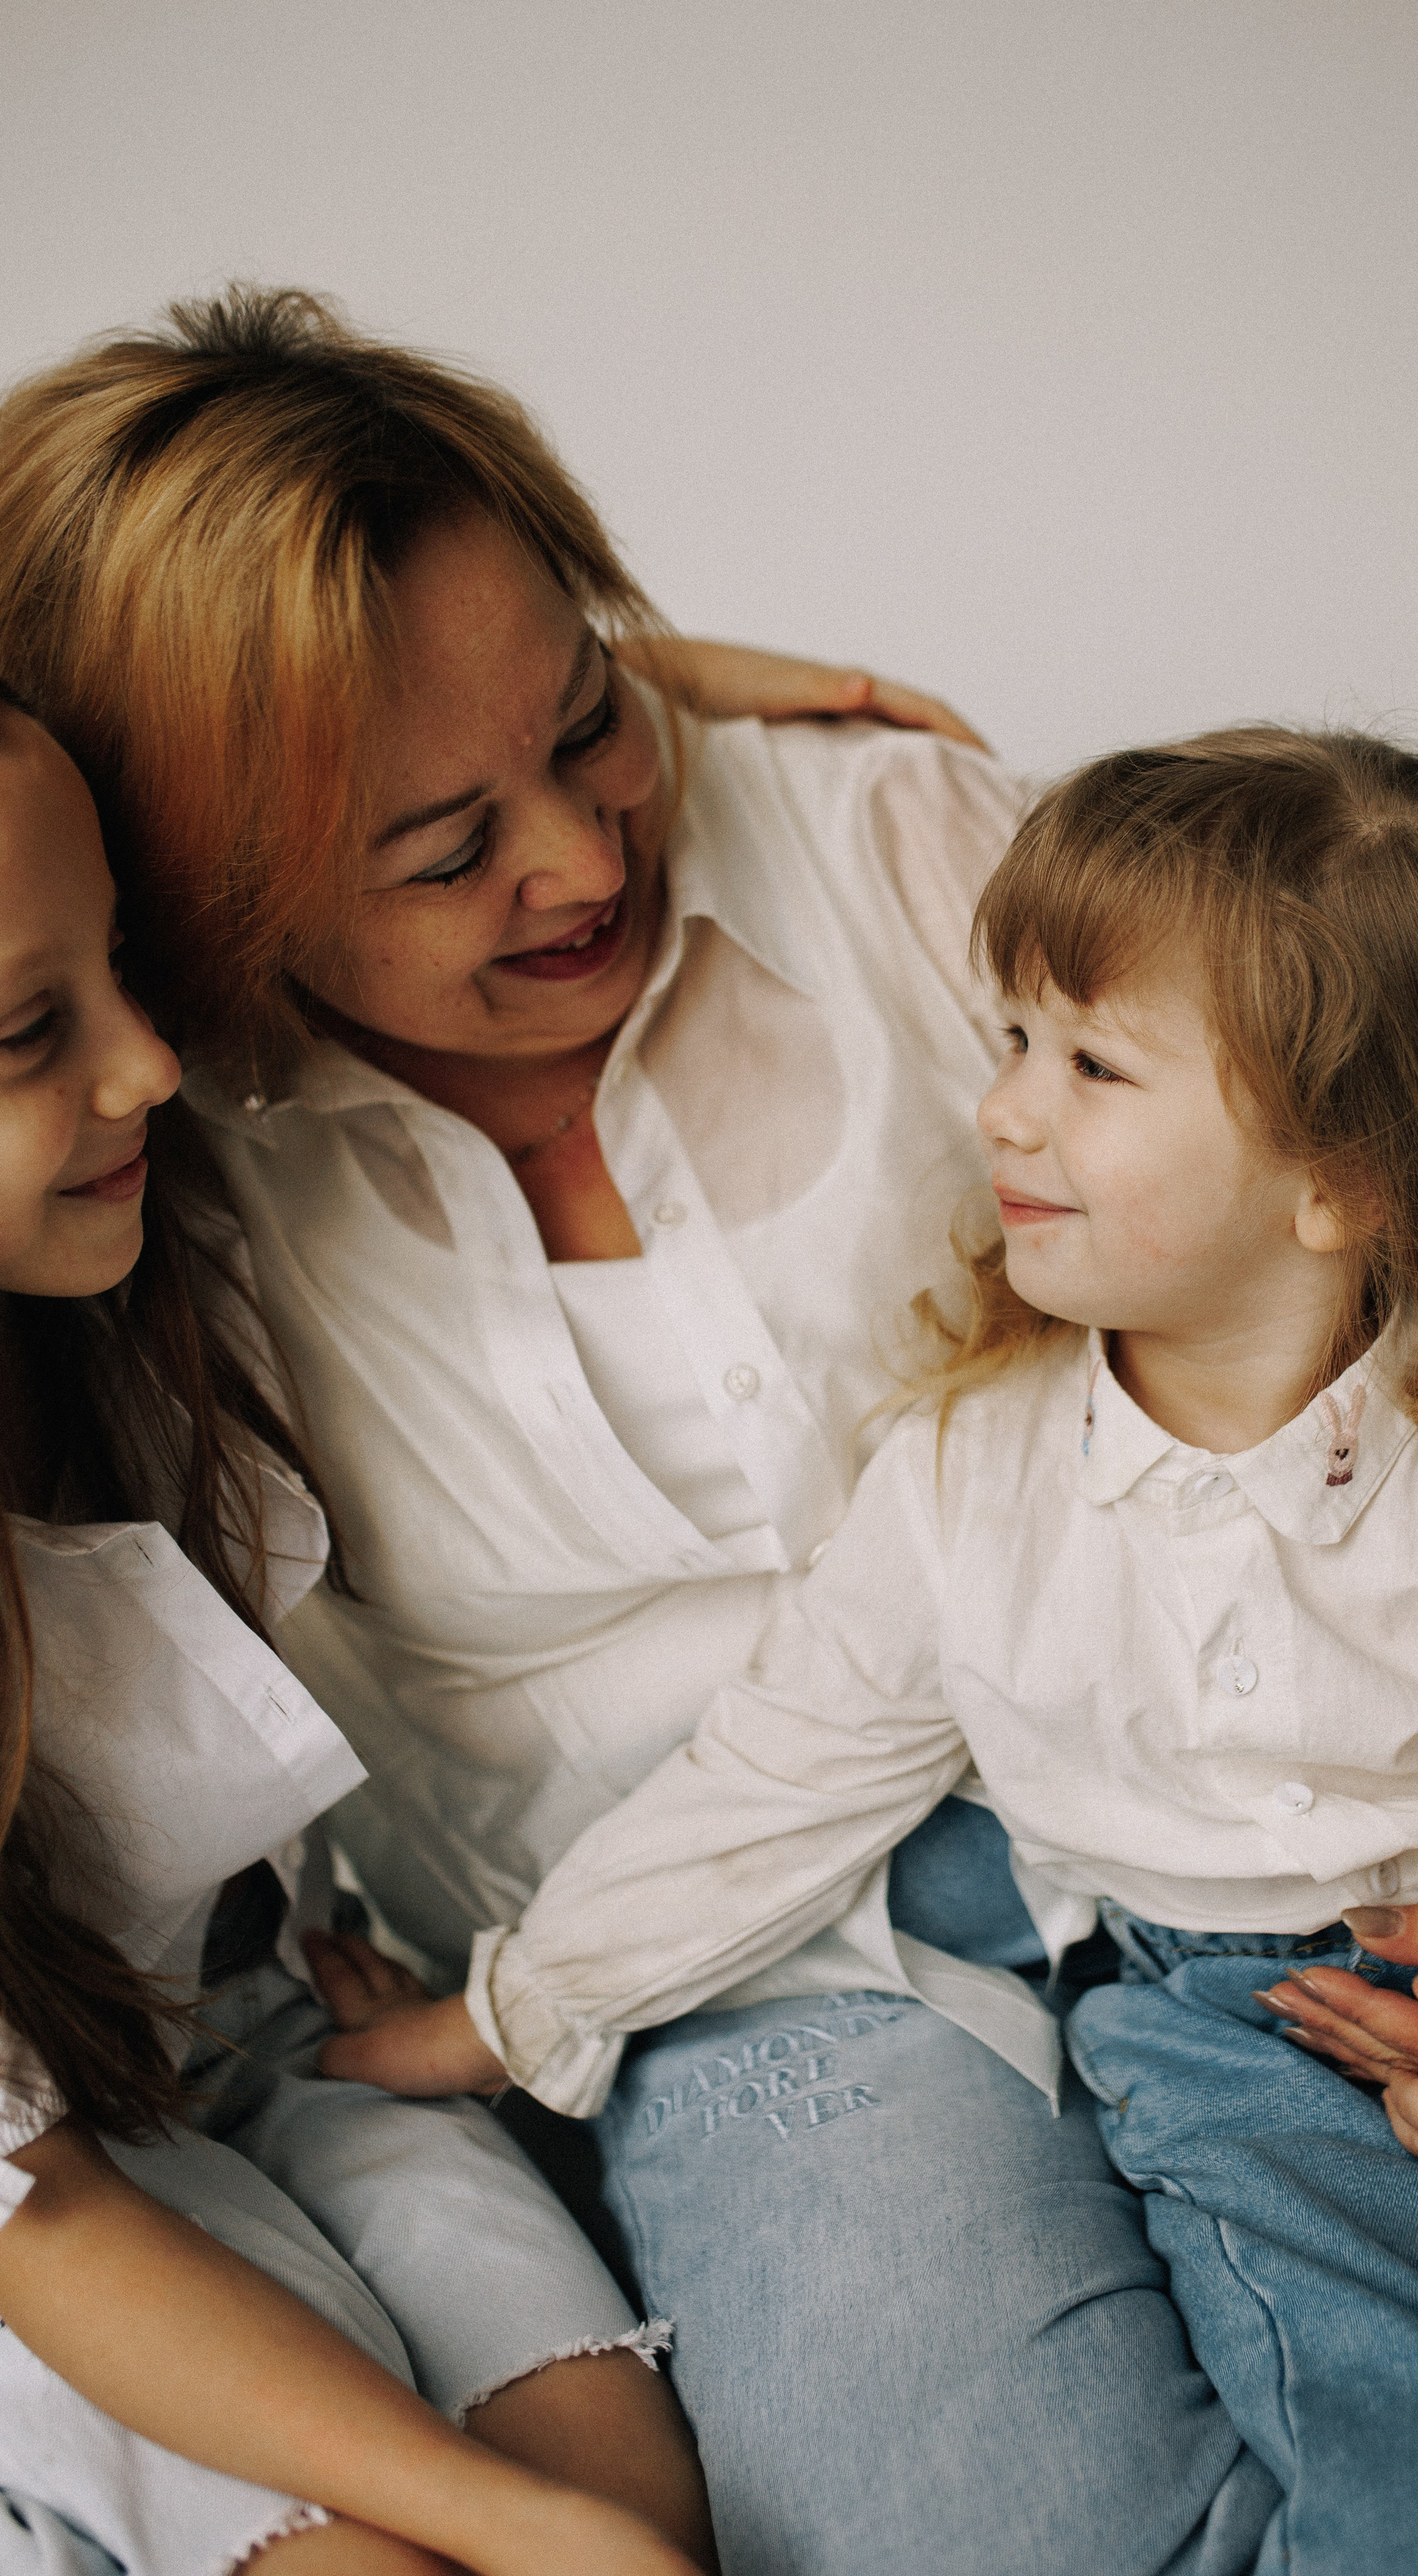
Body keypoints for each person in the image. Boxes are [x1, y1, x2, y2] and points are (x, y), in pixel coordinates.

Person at [0, 286, 1285, 2576]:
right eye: (436, 846)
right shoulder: (144, 1152)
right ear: (197, 881)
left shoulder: (888, 838)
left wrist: (645, 694)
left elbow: (1334, 1210)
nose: (584, 864)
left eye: (591, 724)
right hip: (726, 1961)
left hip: (1235, 1742)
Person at [380, 727, 1418, 2575]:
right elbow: (778, 1783)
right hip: (1245, 2050)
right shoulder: (964, 1482)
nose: (1003, 1109)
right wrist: (508, 2011)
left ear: (1347, 1177)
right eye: (1012, 1038)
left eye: (1089, 1065)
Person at [0, 688, 708, 2576]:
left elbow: (271, 740)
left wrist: (656, 687)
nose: (150, 1065)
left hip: (240, 2041)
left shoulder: (115, 1255)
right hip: (29, 2221)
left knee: (626, 2499)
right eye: (21, 1032)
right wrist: (496, 2523)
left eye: (126, 967)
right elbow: (41, 2220)